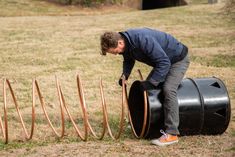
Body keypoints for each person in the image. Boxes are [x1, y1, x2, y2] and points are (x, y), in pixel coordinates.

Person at [100, 28, 190, 146]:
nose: (117, 54)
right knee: (146, 95)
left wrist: (152, 83)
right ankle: (145, 122)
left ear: (120, 43)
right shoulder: (125, 42)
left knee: (168, 89)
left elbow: (164, 62)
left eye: (115, 51)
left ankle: (172, 134)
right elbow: (128, 59)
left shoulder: (142, 40)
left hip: (177, 60)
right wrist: (125, 75)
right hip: (163, 62)